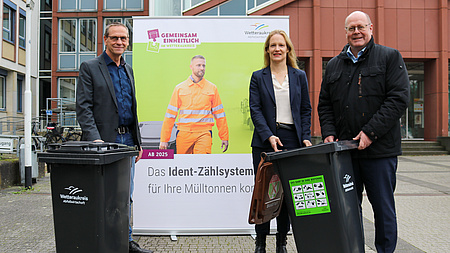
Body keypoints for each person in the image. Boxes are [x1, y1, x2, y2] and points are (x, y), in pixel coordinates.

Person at [318, 11, 410, 253]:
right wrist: (328, 132)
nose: (356, 32)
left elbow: (398, 99)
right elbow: (325, 103)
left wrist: (369, 132)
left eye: (360, 27)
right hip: (345, 153)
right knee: (348, 208)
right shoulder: (335, 64)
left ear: (371, 28)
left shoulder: (389, 57)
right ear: (345, 32)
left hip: (380, 151)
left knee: (383, 209)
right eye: (351, 28)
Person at [76, 22, 153, 253]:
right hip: (104, 144)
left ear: (128, 41)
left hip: (128, 143)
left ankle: (125, 242)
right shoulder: (90, 67)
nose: (120, 42)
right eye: (115, 38)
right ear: (105, 39)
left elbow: (131, 109)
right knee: (104, 197)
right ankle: (103, 242)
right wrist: (95, 139)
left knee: (125, 196)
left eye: (124, 38)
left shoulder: (128, 70)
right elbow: (84, 108)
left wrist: (138, 143)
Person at [249, 30, 312, 253]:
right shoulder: (258, 76)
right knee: (264, 194)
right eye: (273, 45)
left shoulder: (299, 76)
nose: (277, 49)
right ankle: (260, 243)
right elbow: (255, 110)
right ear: (267, 50)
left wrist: (305, 136)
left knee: (286, 195)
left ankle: (282, 242)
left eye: (281, 45)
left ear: (288, 49)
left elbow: (305, 109)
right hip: (264, 141)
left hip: (292, 140)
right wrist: (268, 135)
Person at [159, 55, 229, 154]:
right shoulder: (180, 88)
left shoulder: (212, 88)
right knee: (183, 166)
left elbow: (220, 115)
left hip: (204, 133)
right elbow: (170, 115)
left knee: (203, 164)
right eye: (198, 65)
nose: (202, 68)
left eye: (203, 65)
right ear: (191, 67)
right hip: (184, 133)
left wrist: (224, 137)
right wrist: (164, 139)